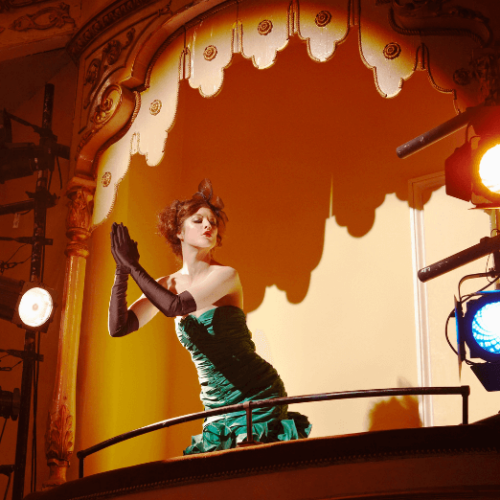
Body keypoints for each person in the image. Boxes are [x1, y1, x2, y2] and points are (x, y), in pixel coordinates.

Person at [108, 179, 311, 454]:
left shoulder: (225, 276)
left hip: (256, 393)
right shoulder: (166, 284)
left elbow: (176, 307)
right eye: (198, 220)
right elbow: (119, 326)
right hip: (215, 406)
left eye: (213, 222)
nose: (208, 226)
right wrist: (122, 270)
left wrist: (134, 265)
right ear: (179, 232)